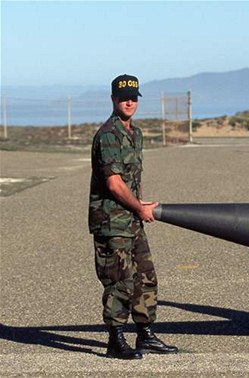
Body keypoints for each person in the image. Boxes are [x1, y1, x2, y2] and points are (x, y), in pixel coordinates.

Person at [88, 74, 178, 359]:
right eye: (123, 97)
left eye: (133, 97)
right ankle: (115, 340)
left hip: (131, 220)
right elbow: (114, 183)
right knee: (120, 281)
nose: (129, 101)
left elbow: (129, 181)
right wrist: (139, 207)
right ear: (113, 99)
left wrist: (138, 206)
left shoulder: (134, 134)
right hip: (112, 222)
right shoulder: (108, 135)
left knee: (145, 277)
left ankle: (145, 334)